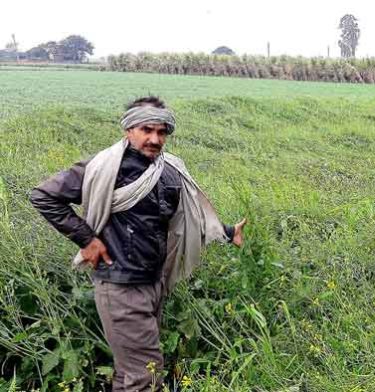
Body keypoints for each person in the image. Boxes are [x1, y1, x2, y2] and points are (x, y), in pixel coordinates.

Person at [29, 96, 246, 391]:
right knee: (147, 374)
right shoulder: (103, 168)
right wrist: (87, 239)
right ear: (129, 129)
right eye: (147, 130)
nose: (154, 139)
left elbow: (188, 218)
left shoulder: (169, 170)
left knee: (129, 372)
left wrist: (227, 231)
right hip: (120, 287)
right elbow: (44, 196)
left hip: (154, 283)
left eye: (161, 132)